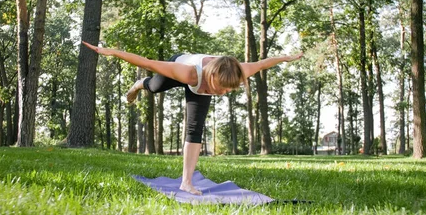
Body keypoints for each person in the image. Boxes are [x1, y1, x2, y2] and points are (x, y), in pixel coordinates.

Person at [82, 41, 303, 195]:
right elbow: (147, 62)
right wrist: (112, 52)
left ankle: (186, 182)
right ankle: (140, 85)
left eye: (228, 90)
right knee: (156, 86)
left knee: (194, 129)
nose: (222, 93)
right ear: (212, 76)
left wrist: (287, 58)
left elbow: (264, 63)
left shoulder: (238, 71)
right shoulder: (188, 72)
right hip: (182, 68)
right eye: (220, 88)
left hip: (199, 85)